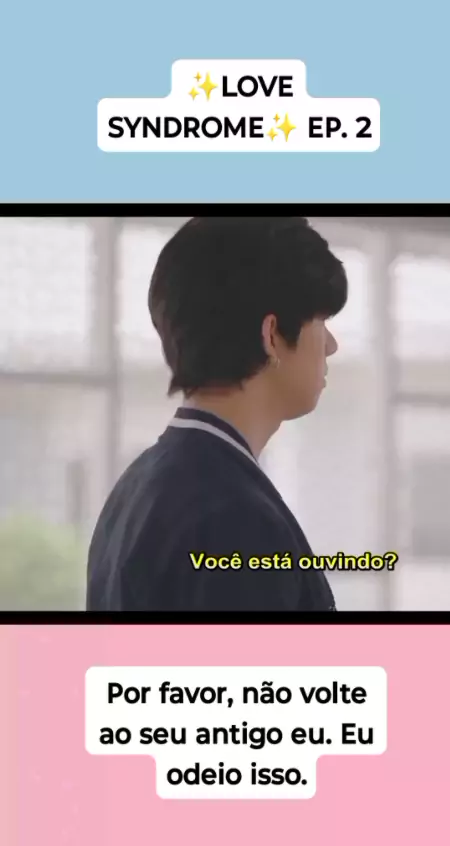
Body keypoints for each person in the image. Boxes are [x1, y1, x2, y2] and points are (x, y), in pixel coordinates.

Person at [87, 216, 347, 612]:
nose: (330, 345)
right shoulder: (236, 518)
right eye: (321, 321)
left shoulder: (135, 487)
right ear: (272, 335)